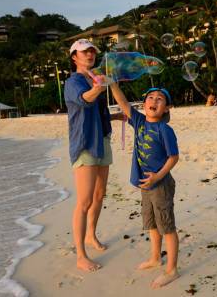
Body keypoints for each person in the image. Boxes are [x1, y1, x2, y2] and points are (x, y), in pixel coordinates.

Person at [110, 83, 181, 289]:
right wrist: (112, 83)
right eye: (151, 98)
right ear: (143, 104)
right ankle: (155, 258)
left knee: (166, 226)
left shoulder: (165, 129)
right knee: (150, 223)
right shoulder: (139, 121)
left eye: (160, 99)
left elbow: (174, 157)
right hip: (145, 184)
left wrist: (157, 176)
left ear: (166, 108)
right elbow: (122, 103)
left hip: (161, 184)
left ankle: (172, 269)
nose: (154, 101)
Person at [64, 38, 125, 272]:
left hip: (102, 141)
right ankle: (80, 255)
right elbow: (84, 100)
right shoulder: (74, 81)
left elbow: (96, 114)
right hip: (85, 144)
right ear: (74, 57)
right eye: (84, 52)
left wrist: (116, 117)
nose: (89, 55)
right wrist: (99, 87)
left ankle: (91, 235)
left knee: (100, 195)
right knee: (84, 201)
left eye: (92, 52)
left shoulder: (92, 79)